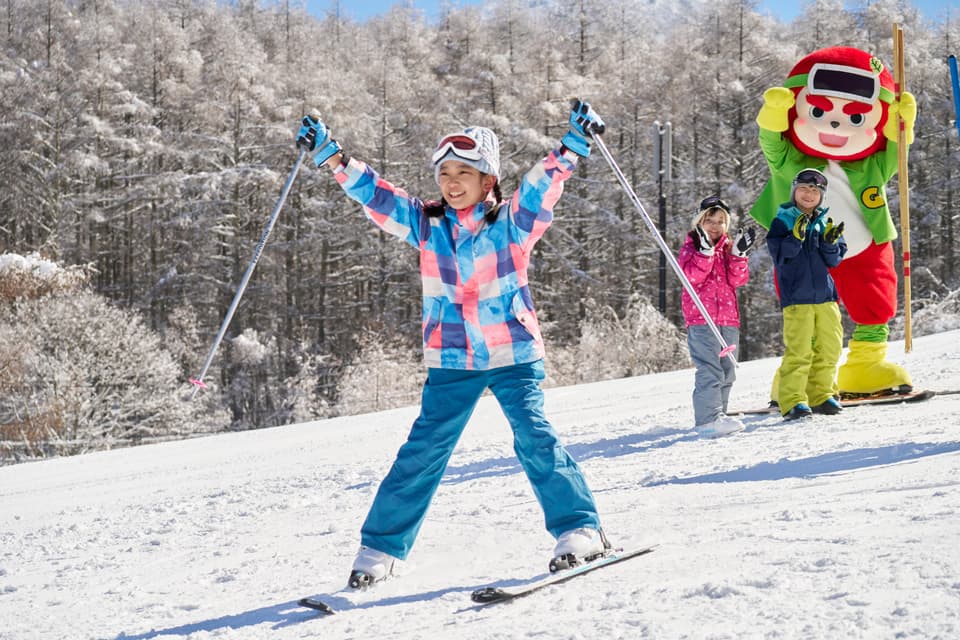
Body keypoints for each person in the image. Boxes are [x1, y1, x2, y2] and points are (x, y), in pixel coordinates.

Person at [295, 100, 610, 588]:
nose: (452, 181)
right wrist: (334, 158)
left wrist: (569, 148)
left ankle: (579, 529)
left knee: (534, 437)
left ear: (489, 181)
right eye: (444, 172)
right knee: (423, 451)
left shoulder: (511, 223)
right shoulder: (427, 224)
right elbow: (378, 198)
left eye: (465, 171)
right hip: (453, 358)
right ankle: (380, 547)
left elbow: (540, 189)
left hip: (511, 351)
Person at [766, 168, 847, 420]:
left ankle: (821, 395)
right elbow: (781, 256)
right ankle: (792, 400)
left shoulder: (824, 221)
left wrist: (830, 243)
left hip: (825, 296)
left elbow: (834, 261)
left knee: (830, 347)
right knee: (800, 350)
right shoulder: (782, 220)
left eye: (815, 190)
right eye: (804, 188)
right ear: (794, 191)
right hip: (797, 298)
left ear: (821, 196)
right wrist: (795, 237)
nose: (809, 194)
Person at [678, 196, 754, 437]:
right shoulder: (690, 247)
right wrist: (704, 253)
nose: (715, 225)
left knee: (727, 369)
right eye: (709, 220)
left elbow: (738, 280)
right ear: (699, 221)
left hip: (728, 318)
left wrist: (739, 255)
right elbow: (691, 277)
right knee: (710, 369)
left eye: (720, 221)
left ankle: (720, 412)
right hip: (702, 319)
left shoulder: (729, 247)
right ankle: (708, 419)